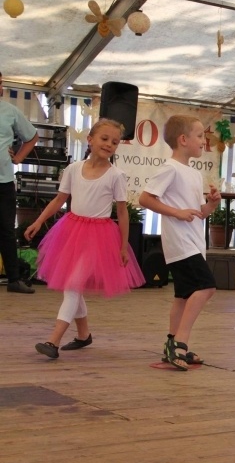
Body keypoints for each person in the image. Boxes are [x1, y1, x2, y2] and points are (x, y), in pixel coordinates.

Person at [25, 119, 145, 359]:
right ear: (90, 140)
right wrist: (39, 221)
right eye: (104, 139)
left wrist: (122, 246)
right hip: (71, 231)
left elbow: (121, 212)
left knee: (72, 285)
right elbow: (59, 200)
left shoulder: (116, 175)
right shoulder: (73, 169)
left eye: (115, 142)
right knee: (73, 286)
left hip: (98, 238)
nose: (109, 144)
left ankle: (54, 340)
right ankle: (83, 335)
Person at [139, 115, 222, 371]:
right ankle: (181, 342)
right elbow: (145, 198)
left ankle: (171, 343)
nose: (203, 141)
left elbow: (198, 212)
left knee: (183, 296)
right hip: (180, 242)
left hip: (193, 242)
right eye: (199, 136)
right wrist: (176, 213)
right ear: (183, 140)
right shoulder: (170, 168)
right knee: (206, 287)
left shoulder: (194, 173)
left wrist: (211, 204)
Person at [0, 71, 38, 293]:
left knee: (6, 230)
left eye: (1, 83)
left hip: (4, 181)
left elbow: (32, 136)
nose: (1, 86)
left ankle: (14, 279)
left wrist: (19, 157)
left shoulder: (10, 111)